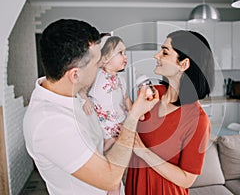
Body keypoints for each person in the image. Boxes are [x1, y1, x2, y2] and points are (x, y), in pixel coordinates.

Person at [23, 19, 159, 195]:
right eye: (96, 64)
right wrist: (133, 117)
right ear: (75, 75)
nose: (100, 69)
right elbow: (109, 179)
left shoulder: (76, 95)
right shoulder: (50, 124)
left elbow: (95, 146)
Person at [125, 30, 215, 195]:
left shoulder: (197, 120)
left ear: (183, 64)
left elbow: (187, 178)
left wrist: (143, 152)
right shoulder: (152, 94)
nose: (156, 56)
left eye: (165, 52)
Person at [78, 34, 139, 195]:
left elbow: (126, 100)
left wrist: (136, 116)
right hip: (104, 132)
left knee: (115, 174)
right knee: (107, 171)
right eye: (120, 53)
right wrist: (85, 99)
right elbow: (80, 89)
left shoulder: (121, 80)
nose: (125, 57)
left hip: (120, 130)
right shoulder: (95, 76)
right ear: (104, 58)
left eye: (125, 53)